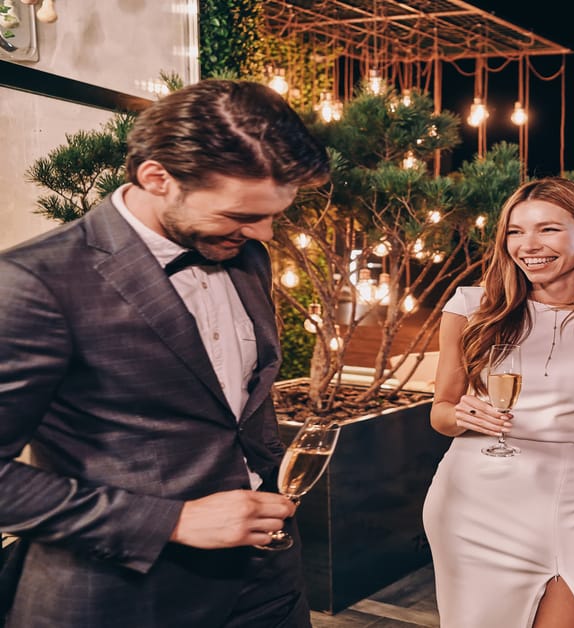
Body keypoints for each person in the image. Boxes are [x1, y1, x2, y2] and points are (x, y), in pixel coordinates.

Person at [0, 79, 330, 626]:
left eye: (275, 215)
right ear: (157, 177)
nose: (265, 235)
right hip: (121, 595)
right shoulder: (34, 282)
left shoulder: (245, 255)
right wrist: (172, 521)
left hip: (269, 583)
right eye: (242, 216)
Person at [423, 177, 574, 627]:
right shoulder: (471, 308)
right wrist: (458, 414)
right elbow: (441, 413)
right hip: (473, 503)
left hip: (573, 508)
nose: (527, 245)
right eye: (515, 231)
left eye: (547, 229)